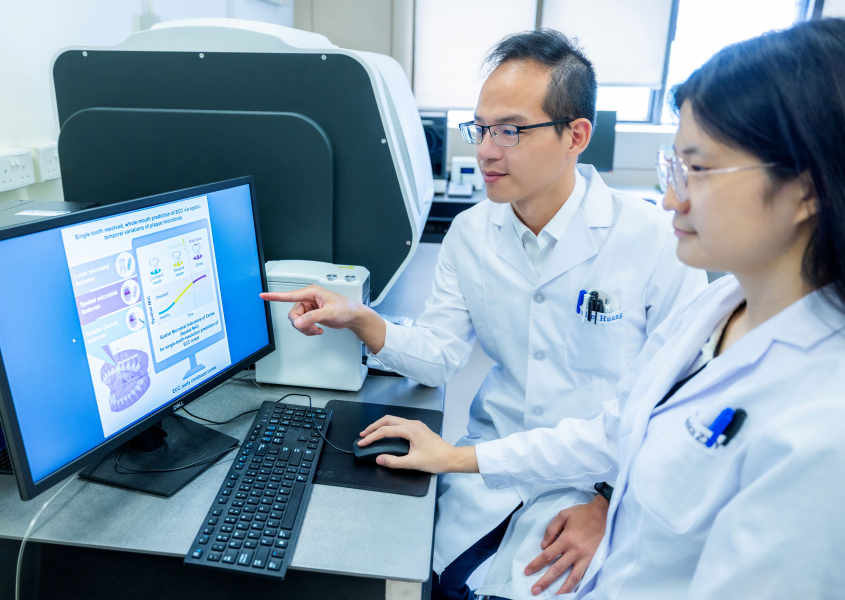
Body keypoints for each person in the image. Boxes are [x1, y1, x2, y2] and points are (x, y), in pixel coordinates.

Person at [358, 18, 845, 600]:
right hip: (505, 487)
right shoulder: (719, 309)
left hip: (586, 520)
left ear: (806, 188)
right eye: (674, 167)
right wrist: (459, 457)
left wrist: (608, 499)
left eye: (699, 168)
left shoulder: (823, 423)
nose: (672, 198)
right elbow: (618, 431)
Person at [262, 30, 705, 599]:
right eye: (481, 128)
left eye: (510, 131)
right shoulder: (472, 232)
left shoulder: (653, 240)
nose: (486, 151)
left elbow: (676, 403)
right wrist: (360, 318)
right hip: (488, 473)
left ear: (576, 135)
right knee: (416, 578)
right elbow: (442, 354)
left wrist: (608, 500)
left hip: (597, 484)